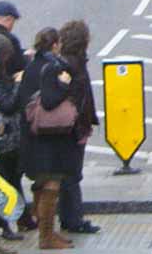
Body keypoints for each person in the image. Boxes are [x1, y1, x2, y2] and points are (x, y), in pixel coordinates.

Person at [18, 28, 74, 250]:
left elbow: (22, 99)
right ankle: (46, 236)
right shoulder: (51, 67)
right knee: (51, 184)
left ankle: (48, 232)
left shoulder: (31, 66)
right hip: (47, 139)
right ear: (54, 45)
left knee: (42, 184)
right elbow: (50, 101)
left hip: (32, 135)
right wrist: (64, 84)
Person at [0, 34, 37, 235]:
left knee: (13, 178)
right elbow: (7, 104)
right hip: (4, 139)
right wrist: (18, 83)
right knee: (8, 180)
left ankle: (21, 218)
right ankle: (9, 223)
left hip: (11, 139)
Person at [57, 21, 99, 235]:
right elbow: (78, 99)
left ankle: (68, 218)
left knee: (68, 175)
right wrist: (83, 125)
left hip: (70, 128)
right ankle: (74, 220)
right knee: (72, 175)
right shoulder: (73, 65)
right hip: (74, 129)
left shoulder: (65, 61)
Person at [0, 3, 26, 77]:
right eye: (14, 21)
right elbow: (19, 67)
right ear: (9, 19)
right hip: (1, 82)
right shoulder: (10, 39)